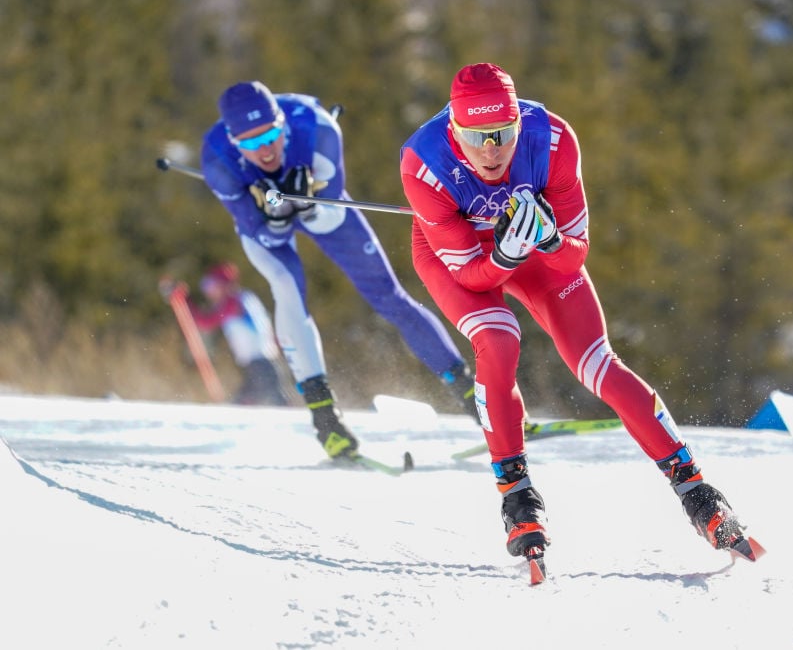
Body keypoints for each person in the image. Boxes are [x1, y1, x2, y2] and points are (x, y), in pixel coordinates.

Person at [399, 63, 752, 560]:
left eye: (502, 134)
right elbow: (470, 277)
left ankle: (698, 492)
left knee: (597, 364)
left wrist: (545, 238)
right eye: (477, 137)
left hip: (536, 248)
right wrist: (503, 255)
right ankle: (517, 495)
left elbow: (574, 255)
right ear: (455, 131)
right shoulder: (423, 162)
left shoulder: (553, 140)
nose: (492, 150)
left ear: (518, 123)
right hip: (466, 259)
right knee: (499, 342)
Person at [201, 81, 477, 459]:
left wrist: (307, 205)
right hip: (267, 227)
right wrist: (276, 217)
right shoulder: (217, 158)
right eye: (250, 144)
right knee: (285, 286)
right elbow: (259, 232)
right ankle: (326, 421)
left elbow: (330, 213)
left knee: (389, 296)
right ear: (235, 143)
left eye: (270, 134)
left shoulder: (318, 128)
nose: (264, 149)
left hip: (327, 212)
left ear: (283, 124)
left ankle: (472, 396)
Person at [162, 262, 291, 406]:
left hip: (260, 365)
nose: (209, 292)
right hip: (263, 364)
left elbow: (205, 322)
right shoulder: (245, 298)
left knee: (257, 405)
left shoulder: (232, 302)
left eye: (211, 286)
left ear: (223, 285)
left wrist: (183, 299)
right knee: (255, 403)